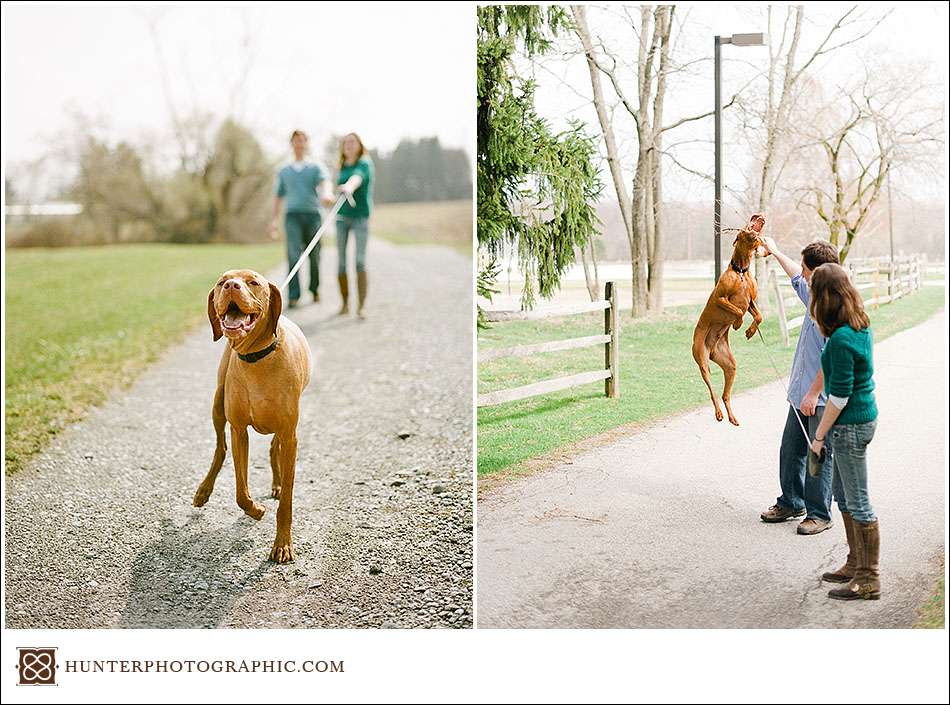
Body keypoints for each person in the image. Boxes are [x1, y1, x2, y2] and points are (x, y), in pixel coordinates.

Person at [808, 263, 880, 601]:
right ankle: (854, 565)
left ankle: (868, 579)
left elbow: (839, 395)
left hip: (849, 426)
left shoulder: (840, 339)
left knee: (858, 501)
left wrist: (819, 435)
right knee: (841, 494)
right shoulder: (858, 325)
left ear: (823, 298)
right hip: (857, 422)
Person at [759, 239, 840, 534]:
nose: (803, 274)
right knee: (791, 449)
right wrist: (776, 250)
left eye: (807, 269)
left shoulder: (834, 307)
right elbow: (795, 275)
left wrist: (814, 392)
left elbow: (832, 357)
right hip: (800, 394)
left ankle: (819, 514)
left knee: (818, 453)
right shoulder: (813, 295)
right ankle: (792, 502)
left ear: (818, 272)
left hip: (819, 398)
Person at [271, 130, 332, 308]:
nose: (299, 144)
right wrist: (274, 221)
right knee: (292, 255)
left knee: (314, 254)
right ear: (292, 144)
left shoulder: (315, 167)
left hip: (313, 215)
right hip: (292, 216)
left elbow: (325, 182)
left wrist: (327, 193)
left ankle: (314, 289)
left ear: (307, 144)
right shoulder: (284, 170)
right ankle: (294, 295)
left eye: (302, 141)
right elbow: (277, 196)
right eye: (296, 141)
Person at [323, 132, 374, 319]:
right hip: (342, 218)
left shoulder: (365, 163)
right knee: (341, 262)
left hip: (361, 218)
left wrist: (348, 187)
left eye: (353, 142)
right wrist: (330, 196)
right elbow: (331, 184)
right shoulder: (340, 166)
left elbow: (357, 178)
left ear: (360, 145)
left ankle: (361, 306)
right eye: (346, 143)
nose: (349, 145)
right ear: (342, 148)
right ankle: (344, 303)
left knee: (359, 260)